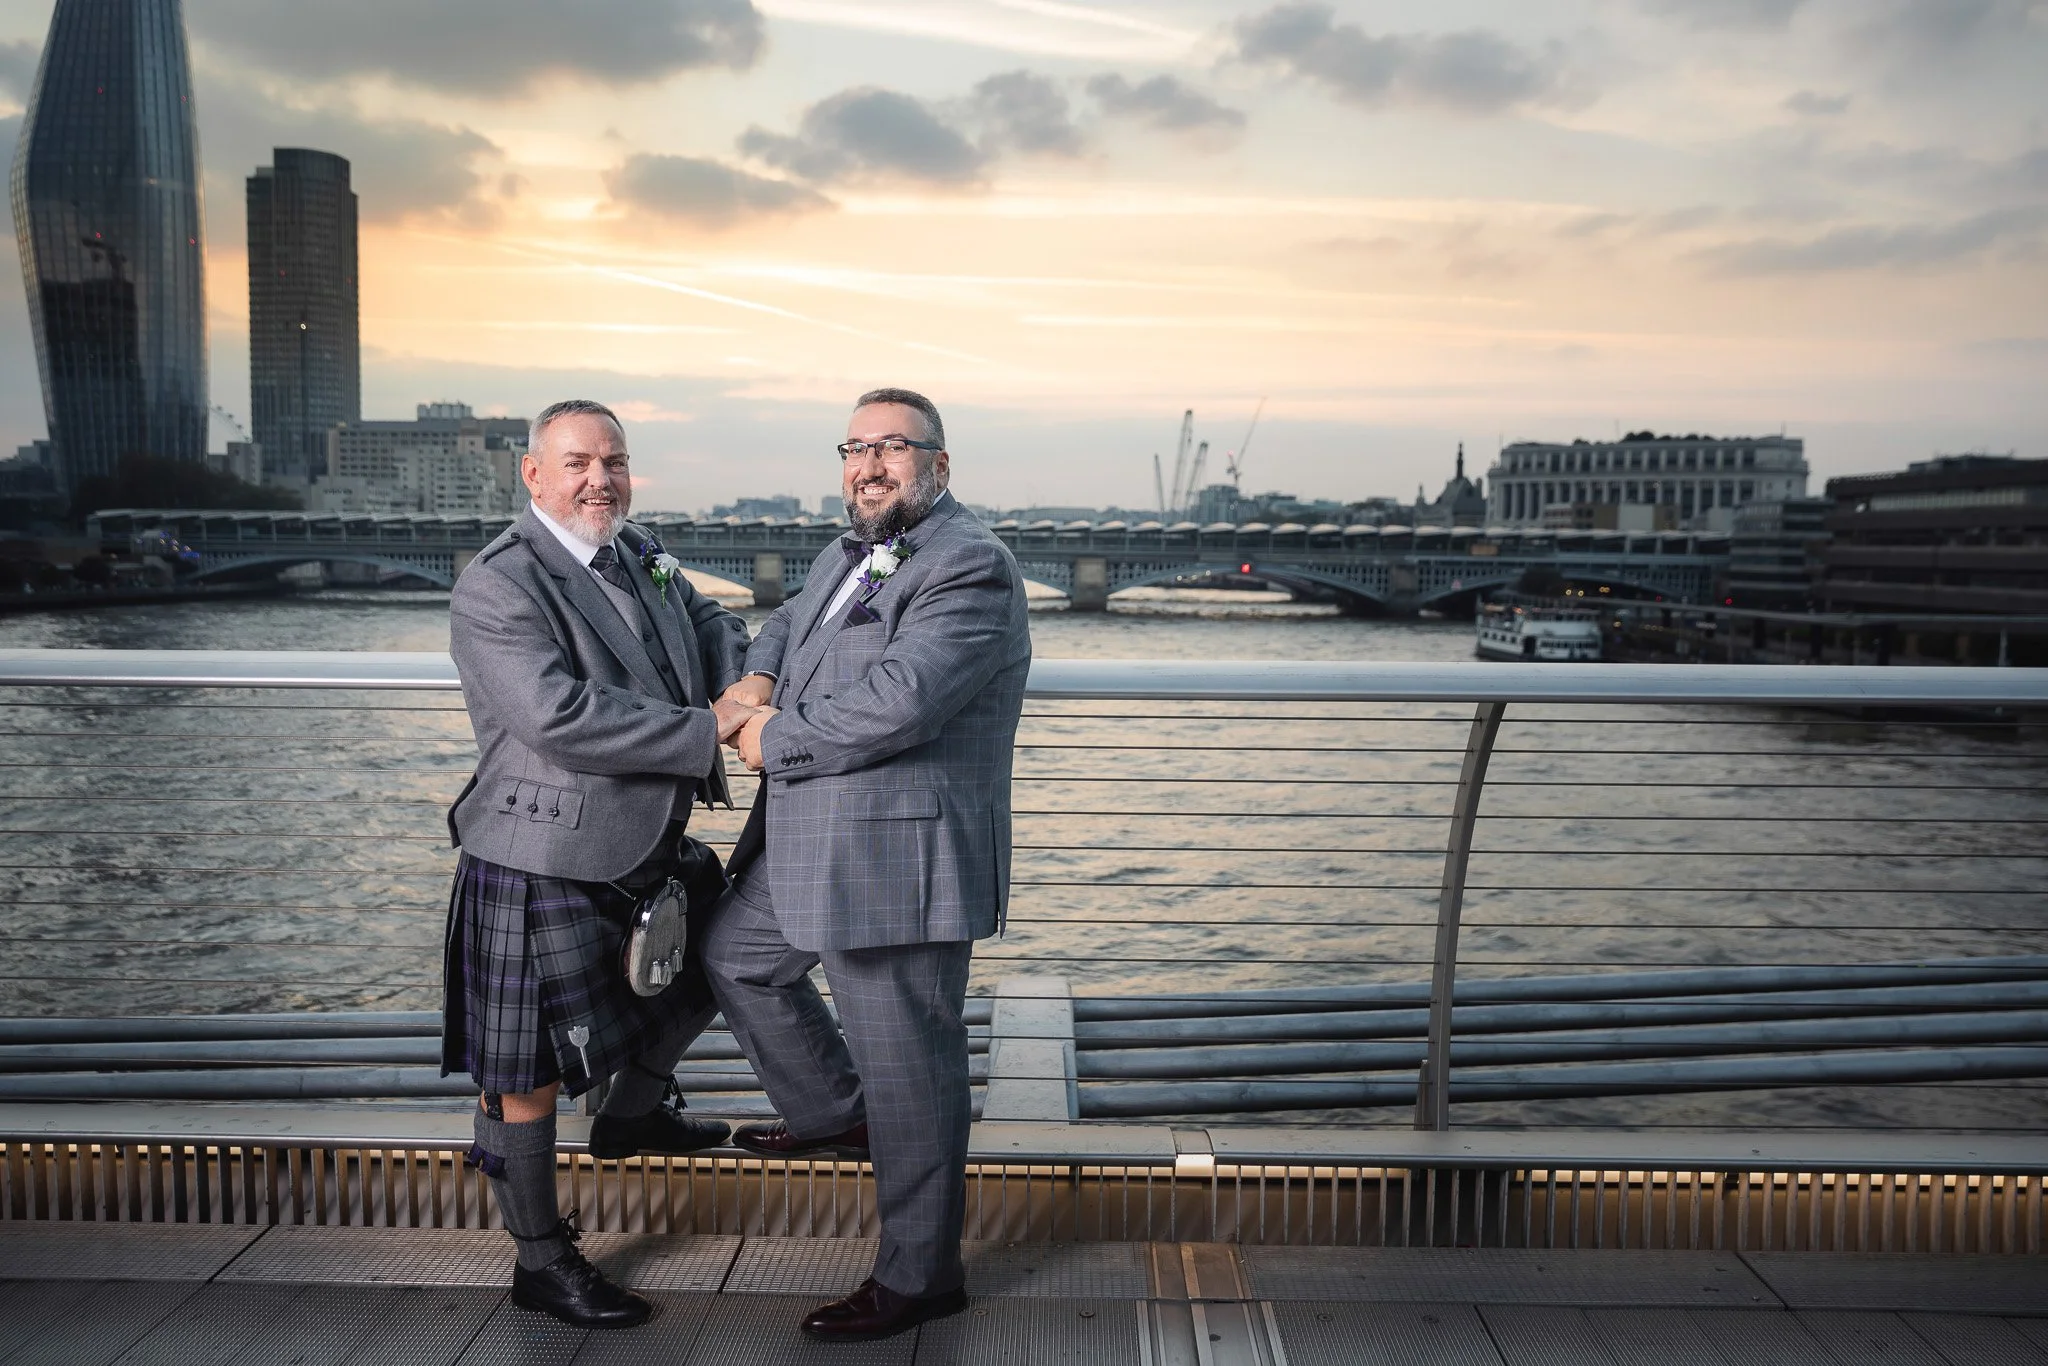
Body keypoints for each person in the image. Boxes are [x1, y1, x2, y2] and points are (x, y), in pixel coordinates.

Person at [707, 386, 1032, 1342]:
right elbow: (788, 621)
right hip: (812, 837)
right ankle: (835, 1112)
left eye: (893, 446)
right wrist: (759, 674)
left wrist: (768, 737)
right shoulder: (847, 550)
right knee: (735, 957)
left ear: (940, 464)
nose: (870, 465)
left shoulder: (969, 563)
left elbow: (901, 700)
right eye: (855, 448)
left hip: (897, 856)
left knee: (911, 1069)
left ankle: (920, 1278)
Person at [439, 398, 760, 1329]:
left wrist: (746, 682)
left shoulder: (636, 547)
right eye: (578, 463)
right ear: (533, 474)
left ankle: (633, 1111)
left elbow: (708, 621)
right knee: (526, 1074)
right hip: (541, 851)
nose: (599, 480)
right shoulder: (497, 583)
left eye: (613, 462)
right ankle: (541, 1263)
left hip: (644, 839)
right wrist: (713, 727)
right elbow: (558, 716)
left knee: (728, 951)